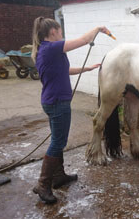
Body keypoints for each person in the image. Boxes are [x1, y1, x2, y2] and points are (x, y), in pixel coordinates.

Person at [31, 17, 110, 204]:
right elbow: (83, 41)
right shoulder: (52, 48)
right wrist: (98, 27)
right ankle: (43, 184)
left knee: (57, 141)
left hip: (52, 101)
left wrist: (87, 68)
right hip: (58, 103)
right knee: (58, 142)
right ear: (53, 33)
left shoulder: (45, 50)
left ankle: (58, 176)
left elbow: (64, 70)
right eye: (60, 31)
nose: (62, 34)